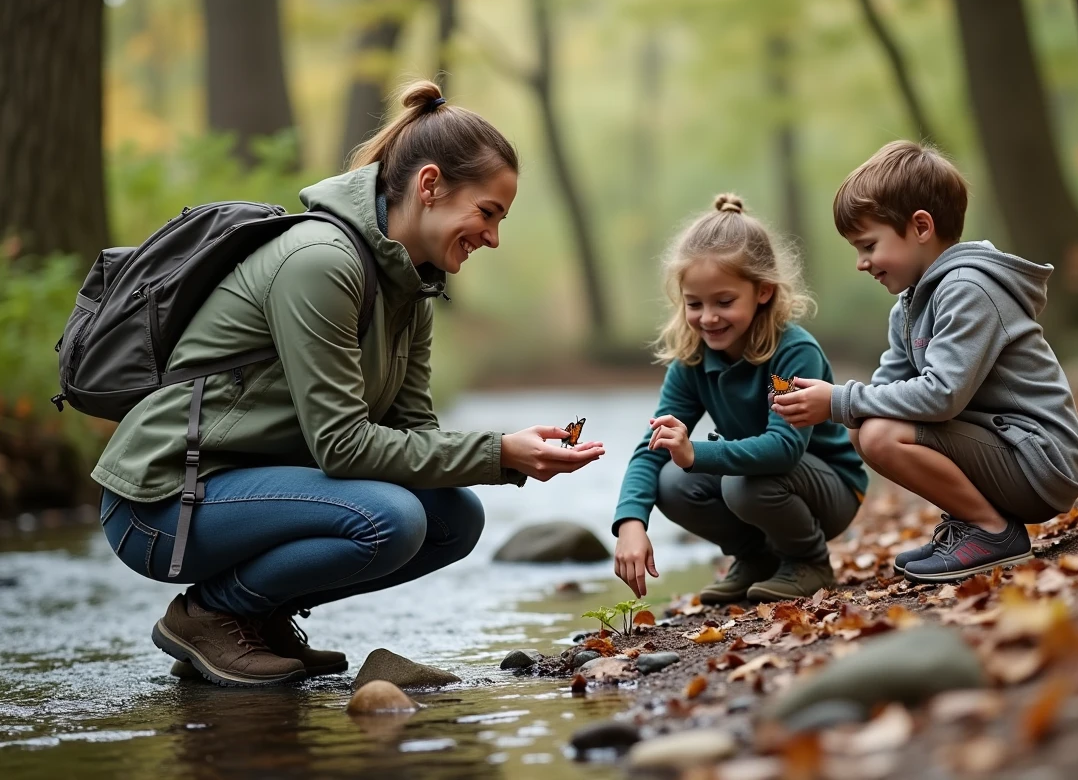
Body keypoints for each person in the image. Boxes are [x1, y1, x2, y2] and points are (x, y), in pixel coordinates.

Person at [92, 80, 605, 687]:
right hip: (161, 503)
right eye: (487, 212)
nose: (492, 236)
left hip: (242, 493)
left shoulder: (411, 289)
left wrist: (508, 454)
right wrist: (497, 451)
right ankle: (211, 616)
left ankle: (258, 617)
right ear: (430, 184)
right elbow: (343, 447)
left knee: (453, 520)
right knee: (393, 518)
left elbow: (413, 434)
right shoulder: (320, 263)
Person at [773, 140, 1078, 583]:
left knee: (881, 433)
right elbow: (885, 390)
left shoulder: (968, 289)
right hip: (1005, 453)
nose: (861, 263)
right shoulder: (908, 306)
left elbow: (942, 394)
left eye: (868, 245)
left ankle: (991, 531)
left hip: (1041, 460)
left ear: (921, 226)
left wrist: (841, 399)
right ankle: (974, 522)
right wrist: (823, 408)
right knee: (865, 428)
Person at [611, 194, 867, 604]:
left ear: (763, 291)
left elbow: (783, 449)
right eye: (694, 304)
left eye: (724, 302)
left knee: (740, 484)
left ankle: (810, 561)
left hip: (829, 490)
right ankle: (756, 559)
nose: (708, 318)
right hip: (759, 481)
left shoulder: (792, 354)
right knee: (670, 481)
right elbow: (651, 449)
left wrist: (694, 452)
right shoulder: (692, 362)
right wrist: (630, 522)